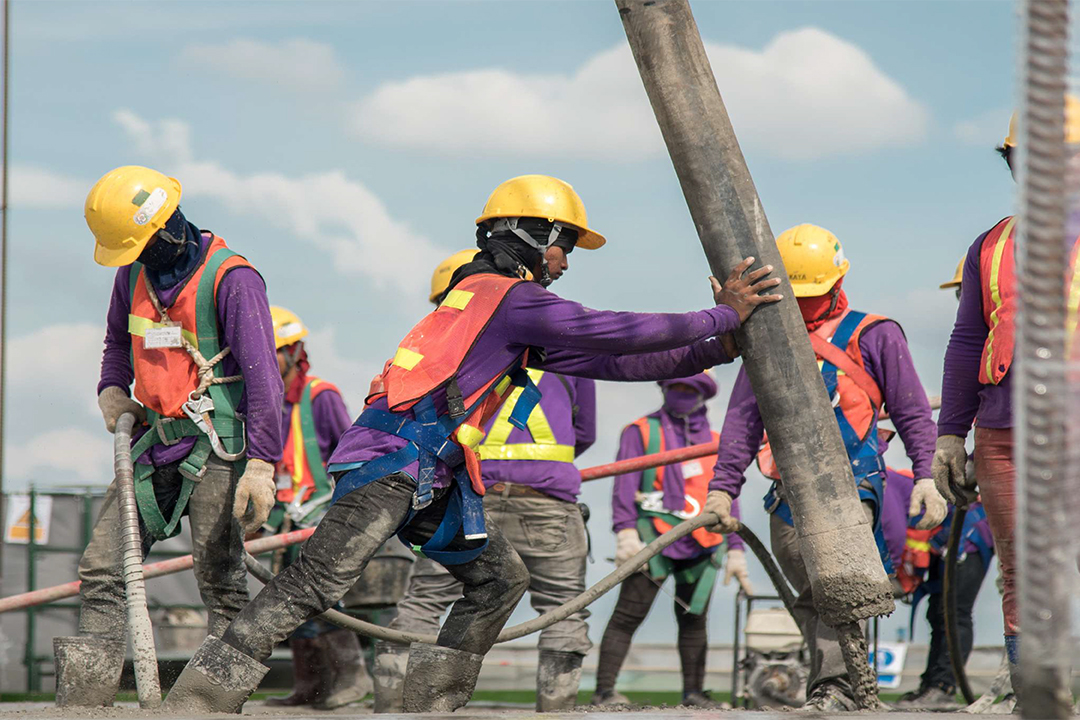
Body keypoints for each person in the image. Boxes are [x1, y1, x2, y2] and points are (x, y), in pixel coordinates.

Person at [163, 173, 782, 714]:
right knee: (315, 583)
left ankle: (434, 702)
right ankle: (200, 699)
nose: (565, 263)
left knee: (497, 581)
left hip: (425, 473)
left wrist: (718, 347)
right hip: (394, 462)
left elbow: (615, 360)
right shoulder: (505, 299)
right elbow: (613, 329)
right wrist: (720, 315)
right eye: (564, 246)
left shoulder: (487, 305)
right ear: (530, 235)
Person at [54, 166, 282, 708]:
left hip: (217, 448)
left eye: (140, 246)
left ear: (167, 229)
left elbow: (263, 378)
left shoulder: (233, 279)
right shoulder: (131, 274)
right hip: (155, 444)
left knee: (221, 579)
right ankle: (85, 704)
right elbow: (116, 340)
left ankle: (214, 705)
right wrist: (112, 387)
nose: (136, 258)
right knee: (103, 567)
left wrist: (261, 465)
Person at [704, 223, 945, 711]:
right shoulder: (766, 336)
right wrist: (722, 488)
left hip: (854, 488)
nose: (806, 305)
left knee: (831, 590)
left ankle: (834, 690)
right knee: (817, 597)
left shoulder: (875, 335)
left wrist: (926, 474)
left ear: (837, 283)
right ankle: (848, 687)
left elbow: (912, 411)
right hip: (786, 495)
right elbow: (742, 421)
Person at [373, 249, 598, 713]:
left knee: (424, 601)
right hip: (546, 503)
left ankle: (390, 705)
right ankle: (557, 708)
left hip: (466, 498)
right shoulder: (565, 350)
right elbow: (584, 433)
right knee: (562, 611)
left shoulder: (438, 351)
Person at [932, 98, 1080, 699]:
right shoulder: (990, 246)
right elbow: (969, 339)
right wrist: (949, 433)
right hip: (1004, 431)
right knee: (1023, 572)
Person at [593, 371, 751, 708]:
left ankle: (694, 693)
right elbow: (624, 484)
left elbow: (729, 497)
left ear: (702, 395)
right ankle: (604, 691)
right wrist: (626, 532)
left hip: (704, 541)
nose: (681, 392)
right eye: (676, 385)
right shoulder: (640, 431)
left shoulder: (716, 440)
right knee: (628, 614)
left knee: (694, 619)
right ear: (664, 388)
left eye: (689, 388)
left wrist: (736, 550)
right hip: (652, 537)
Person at [889, 264, 994, 710]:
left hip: (983, 516)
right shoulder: (971, 348)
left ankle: (945, 685)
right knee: (940, 607)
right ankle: (937, 684)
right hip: (962, 508)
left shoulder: (997, 344)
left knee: (954, 606)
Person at [261, 306, 371, 710]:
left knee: (325, 596)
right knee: (290, 600)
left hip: (321, 512)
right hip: (285, 517)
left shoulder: (321, 396)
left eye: (271, 351)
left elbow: (350, 451)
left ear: (293, 351)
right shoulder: (262, 399)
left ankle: (352, 677)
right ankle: (311, 685)